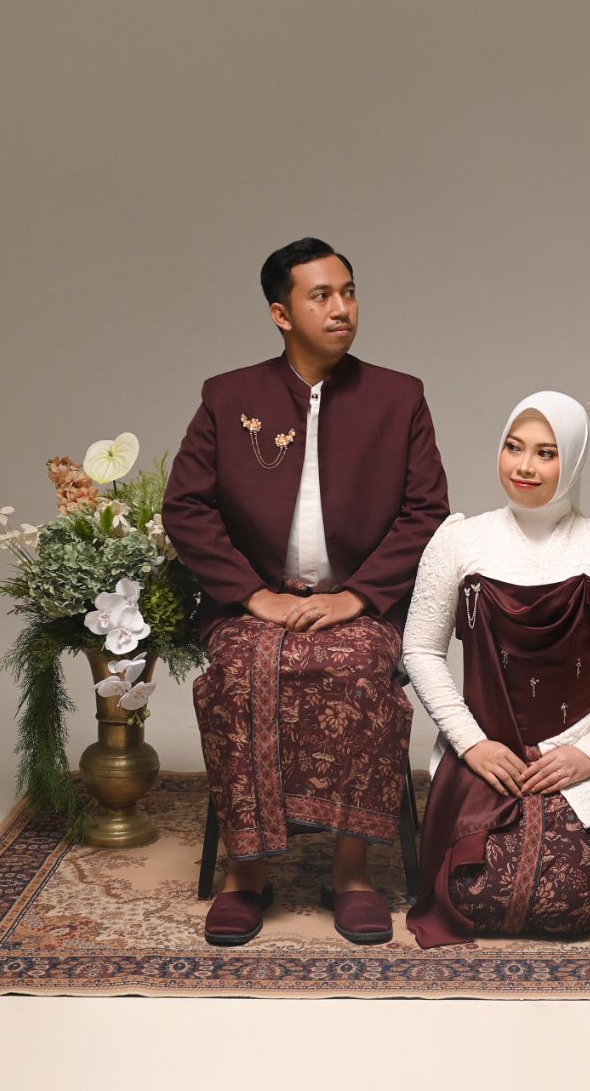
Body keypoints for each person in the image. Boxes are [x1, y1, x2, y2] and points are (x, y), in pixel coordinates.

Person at [162, 238, 450, 946]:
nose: (341, 308)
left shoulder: (399, 397)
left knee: (357, 667)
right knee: (240, 669)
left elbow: (427, 512)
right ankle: (246, 875)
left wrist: (359, 597)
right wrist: (253, 596)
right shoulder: (230, 397)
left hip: (362, 604)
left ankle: (352, 875)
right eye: (320, 296)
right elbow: (186, 508)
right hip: (255, 603)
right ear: (281, 314)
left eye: (348, 292)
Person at [403, 391, 590, 948]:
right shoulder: (458, 540)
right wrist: (472, 744)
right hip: (484, 745)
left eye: (546, 453)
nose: (524, 466)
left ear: (575, 459)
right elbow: (420, 649)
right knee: (471, 897)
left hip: (577, 743)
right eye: (513, 447)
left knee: (572, 904)